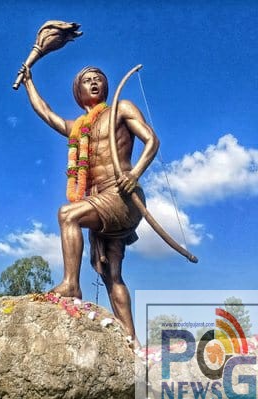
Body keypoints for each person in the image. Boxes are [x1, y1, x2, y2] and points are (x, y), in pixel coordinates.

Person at [20, 65, 159, 344]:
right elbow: (46, 113)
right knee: (112, 275)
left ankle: (71, 284)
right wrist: (29, 83)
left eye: (98, 79)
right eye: (87, 80)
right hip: (97, 198)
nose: (94, 83)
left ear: (106, 87)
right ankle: (130, 340)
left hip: (122, 194)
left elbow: (151, 140)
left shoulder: (121, 108)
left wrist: (134, 174)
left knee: (67, 214)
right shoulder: (77, 128)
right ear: (78, 91)